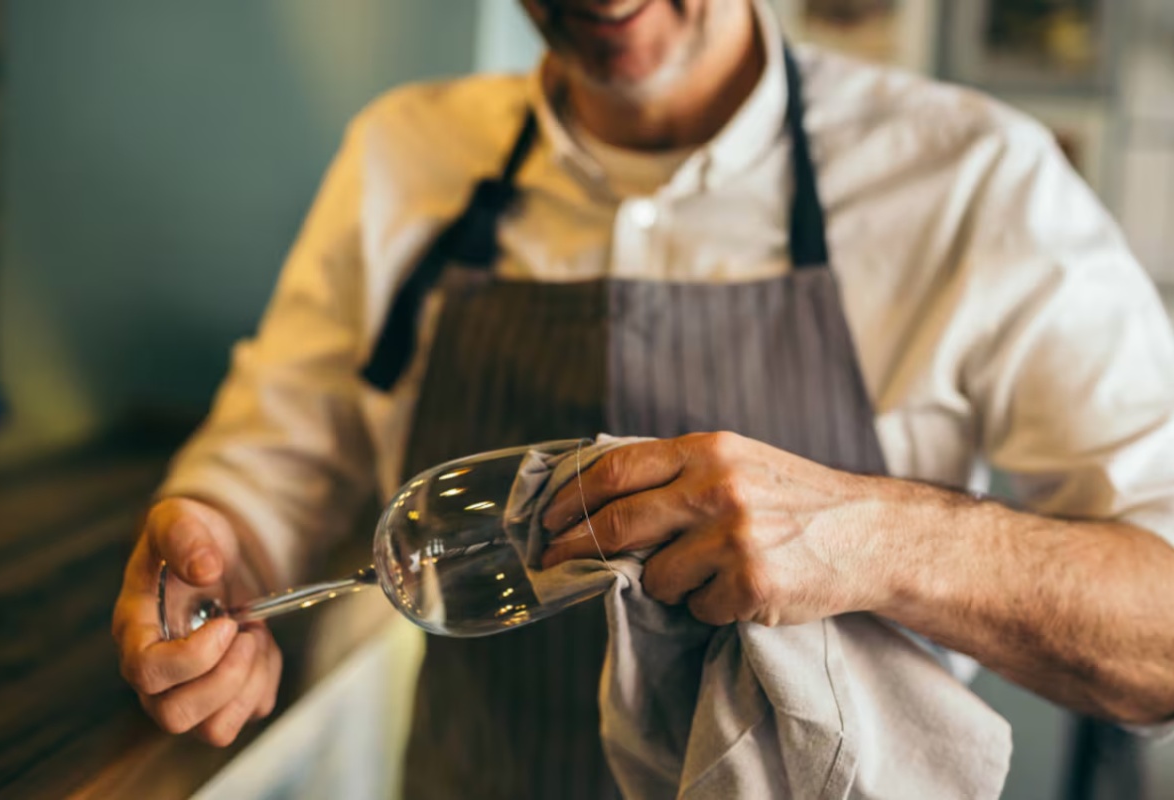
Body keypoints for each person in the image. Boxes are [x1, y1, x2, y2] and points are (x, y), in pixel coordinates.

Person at [113, 0, 1174, 796]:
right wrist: (221, 550)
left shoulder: (977, 180)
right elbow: (282, 450)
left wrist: (880, 536)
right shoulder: (403, 156)